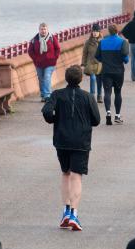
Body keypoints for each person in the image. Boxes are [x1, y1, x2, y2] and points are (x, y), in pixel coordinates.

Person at [43, 65, 102, 230]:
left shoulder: (57, 95)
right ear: (81, 79)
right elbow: (96, 120)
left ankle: (65, 211)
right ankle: (74, 215)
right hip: (81, 141)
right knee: (76, 176)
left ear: (66, 78)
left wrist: (55, 120)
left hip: (62, 139)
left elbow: (47, 111)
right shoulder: (88, 97)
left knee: (65, 173)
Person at [95, 24, 130, 125]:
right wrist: (122, 60)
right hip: (118, 72)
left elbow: (97, 56)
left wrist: (105, 60)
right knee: (118, 93)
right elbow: (126, 59)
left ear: (109, 31)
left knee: (107, 92)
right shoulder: (122, 42)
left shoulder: (102, 42)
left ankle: (108, 113)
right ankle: (117, 116)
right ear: (117, 31)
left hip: (106, 71)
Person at [28, 22, 61, 102]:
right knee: (41, 78)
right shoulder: (34, 40)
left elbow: (58, 48)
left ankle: (47, 95)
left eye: (45, 29)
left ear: (47, 30)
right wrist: (35, 59)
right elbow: (30, 51)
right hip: (39, 63)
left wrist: (54, 58)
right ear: (39, 30)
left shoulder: (52, 38)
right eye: (42, 29)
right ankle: (43, 94)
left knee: (47, 77)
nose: (43, 31)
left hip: (50, 63)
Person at [81, 24, 103, 101]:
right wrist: (83, 64)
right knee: (93, 78)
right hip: (90, 63)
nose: (95, 33)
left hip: (99, 64)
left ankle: (99, 95)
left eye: (96, 31)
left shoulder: (102, 42)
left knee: (99, 81)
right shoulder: (88, 42)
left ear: (99, 32)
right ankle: (92, 95)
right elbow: (84, 54)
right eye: (93, 31)